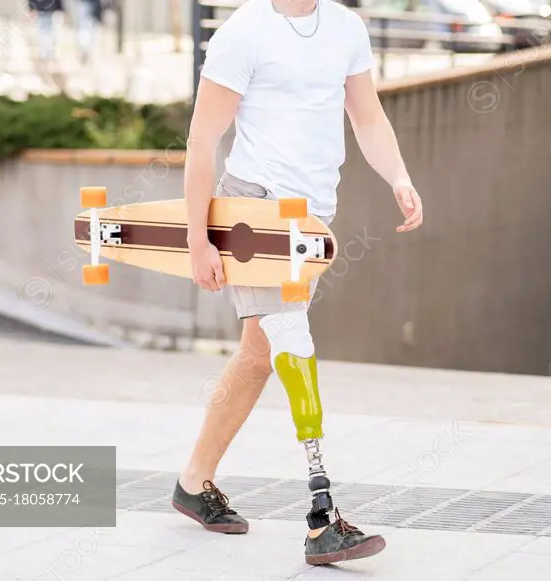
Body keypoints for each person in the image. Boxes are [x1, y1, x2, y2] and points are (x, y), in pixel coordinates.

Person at [176, 0, 423, 566]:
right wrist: (197, 239)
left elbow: (366, 114)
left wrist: (399, 176)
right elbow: (201, 138)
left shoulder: (345, 27)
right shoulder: (243, 32)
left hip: (313, 217)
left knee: (258, 356)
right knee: (291, 341)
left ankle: (192, 484)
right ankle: (322, 517)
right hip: (256, 211)